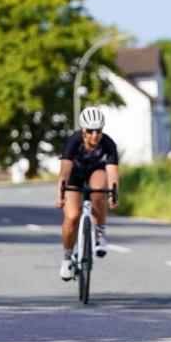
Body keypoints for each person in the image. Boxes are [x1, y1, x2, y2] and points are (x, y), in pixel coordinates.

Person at [56, 107, 119, 280]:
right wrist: (60, 196)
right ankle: (67, 258)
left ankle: (99, 234)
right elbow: (64, 173)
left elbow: (113, 174)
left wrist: (114, 196)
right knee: (72, 217)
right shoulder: (73, 141)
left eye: (98, 131)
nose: (95, 135)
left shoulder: (108, 143)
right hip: (74, 176)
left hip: (95, 171)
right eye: (90, 131)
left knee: (99, 188)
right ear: (83, 130)